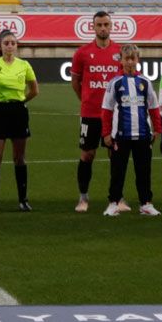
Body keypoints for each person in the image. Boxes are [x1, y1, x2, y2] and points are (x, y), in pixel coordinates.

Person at [0, 29, 40, 212]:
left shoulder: (24, 65)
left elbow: (34, 90)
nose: (10, 46)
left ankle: (23, 200)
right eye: (6, 43)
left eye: (13, 43)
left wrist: (21, 103)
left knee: (19, 158)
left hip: (18, 113)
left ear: (16, 45)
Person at [69, 11, 120, 213]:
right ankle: (83, 197)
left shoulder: (119, 52)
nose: (103, 28)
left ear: (111, 26)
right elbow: (75, 82)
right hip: (90, 114)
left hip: (115, 114)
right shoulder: (82, 53)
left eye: (106, 24)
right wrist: (86, 100)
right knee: (87, 155)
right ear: (93, 27)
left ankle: (117, 197)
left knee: (115, 155)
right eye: (99, 24)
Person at [103, 44, 162, 217]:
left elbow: (154, 106)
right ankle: (113, 203)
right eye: (126, 59)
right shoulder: (115, 83)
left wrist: (157, 128)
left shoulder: (145, 82)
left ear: (138, 60)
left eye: (133, 59)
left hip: (143, 134)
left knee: (144, 172)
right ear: (121, 60)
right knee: (117, 171)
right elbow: (106, 109)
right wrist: (106, 133)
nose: (129, 62)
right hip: (121, 135)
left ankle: (146, 203)